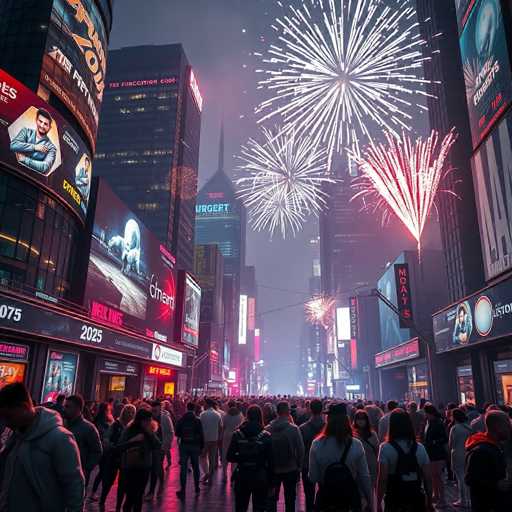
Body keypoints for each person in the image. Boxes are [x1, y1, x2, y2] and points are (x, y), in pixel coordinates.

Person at [0, 382, 84, 512]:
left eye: (8, 416)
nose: (5, 422)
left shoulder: (60, 438)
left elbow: (74, 486)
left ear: (23, 407)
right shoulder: (14, 434)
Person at [309, 402, 372, 512]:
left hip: (326, 500)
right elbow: (364, 476)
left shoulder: (317, 444)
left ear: (328, 420)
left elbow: (313, 477)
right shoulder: (356, 444)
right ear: (346, 421)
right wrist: (369, 500)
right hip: (349, 501)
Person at [376, 408, 433, 512]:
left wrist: (378, 502)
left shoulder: (385, 448)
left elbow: (382, 479)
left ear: (391, 426)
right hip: (416, 498)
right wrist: (429, 501)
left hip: (394, 499)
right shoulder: (420, 448)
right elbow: (428, 478)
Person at [227, 404, 274, 512]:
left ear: (247, 416)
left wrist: (242, 457)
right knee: (259, 507)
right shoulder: (266, 435)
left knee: (240, 507)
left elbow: (229, 456)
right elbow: (271, 461)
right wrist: (272, 482)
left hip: (242, 474)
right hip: (260, 476)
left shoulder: (237, 434)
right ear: (260, 416)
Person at [465, 410, 512, 512]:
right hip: (489, 505)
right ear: (497, 427)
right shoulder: (480, 451)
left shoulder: (496, 445)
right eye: (507, 425)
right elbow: (471, 479)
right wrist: (496, 484)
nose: (509, 428)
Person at [117, 408, 161, 512]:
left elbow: (158, 445)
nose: (149, 422)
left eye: (150, 420)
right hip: (130, 467)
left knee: (139, 495)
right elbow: (120, 446)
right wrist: (133, 441)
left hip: (144, 467)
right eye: (147, 420)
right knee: (131, 495)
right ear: (140, 420)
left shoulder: (150, 431)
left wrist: (149, 433)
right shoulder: (129, 430)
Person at [266, 401, 305, 512]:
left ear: (277, 412)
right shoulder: (294, 429)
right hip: (290, 468)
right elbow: (301, 449)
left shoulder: (268, 429)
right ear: (288, 412)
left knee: (272, 498)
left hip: (273, 469)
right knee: (290, 499)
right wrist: (299, 466)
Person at [100, 404, 136, 512]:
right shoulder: (116, 425)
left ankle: (118, 506)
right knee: (109, 481)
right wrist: (111, 446)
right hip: (114, 456)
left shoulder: (132, 427)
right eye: (128, 411)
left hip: (126, 458)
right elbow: (106, 437)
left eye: (131, 412)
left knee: (123, 484)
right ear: (123, 412)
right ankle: (102, 500)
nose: (129, 414)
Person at [64, 394, 103, 487]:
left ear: (77, 408)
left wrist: (86, 469)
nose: (64, 409)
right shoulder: (62, 424)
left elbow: (97, 451)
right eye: (65, 406)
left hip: (77, 475)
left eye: (68, 407)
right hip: (60, 471)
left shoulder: (88, 428)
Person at [10, 108, 57, 174]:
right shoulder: (26, 131)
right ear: (36, 120)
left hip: (31, 180)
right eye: (40, 121)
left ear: (49, 127)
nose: (42, 125)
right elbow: (13, 145)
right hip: (11, 170)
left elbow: (45, 167)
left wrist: (25, 159)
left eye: (45, 124)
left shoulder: (51, 148)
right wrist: (34, 147)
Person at [300, 399, 326, 512]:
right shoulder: (328, 428)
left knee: (309, 495)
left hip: (307, 464)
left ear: (310, 409)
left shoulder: (302, 428)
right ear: (322, 410)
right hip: (325, 464)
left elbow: (301, 449)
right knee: (324, 493)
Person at [145, 400, 173, 501]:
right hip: (150, 447)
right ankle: (157, 486)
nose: (154, 412)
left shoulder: (165, 418)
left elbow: (170, 432)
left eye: (156, 410)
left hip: (160, 447)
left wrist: (165, 446)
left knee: (155, 467)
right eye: (153, 410)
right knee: (155, 467)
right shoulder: (149, 418)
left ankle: (153, 490)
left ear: (160, 409)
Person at [175, 401, 205, 499]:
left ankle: (183, 489)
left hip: (184, 445)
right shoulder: (197, 420)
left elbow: (177, 433)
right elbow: (201, 434)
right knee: (196, 467)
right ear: (194, 409)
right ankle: (196, 487)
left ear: (187, 408)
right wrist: (202, 447)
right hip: (195, 446)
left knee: (183, 468)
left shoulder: (182, 419)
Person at [423, 404, 448, 508]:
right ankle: (436, 495)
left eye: (425, 413)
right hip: (431, 452)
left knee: (438, 476)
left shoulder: (438, 423)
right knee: (433, 475)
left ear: (430, 413)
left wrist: (433, 442)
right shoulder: (428, 422)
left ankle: (442, 499)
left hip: (437, 453)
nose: (425, 415)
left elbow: (444, 438)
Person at [448, 408, 472, 508]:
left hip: (457, 453)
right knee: (467, 477)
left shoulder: (454, 428)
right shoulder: (469, 427)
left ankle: (463, 500)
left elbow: (450, 444)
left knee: (460, 478)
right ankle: (469, 499)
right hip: (468, 453)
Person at [91, 402, 114, 500]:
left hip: (104, 449)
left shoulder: (100, 419)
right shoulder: (102, 421)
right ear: (105, 410)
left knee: (102, 472)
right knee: (103, 472)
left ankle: (96, 493)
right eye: (108, 409)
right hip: (103, 449)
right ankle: (96, 493)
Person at [353, 409, 380, 488]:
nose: (361, 421)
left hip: (371, 465)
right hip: (357, 466)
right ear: (355, 420)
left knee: (371, 489)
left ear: (366, 420)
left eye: (363, 419)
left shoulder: (372, 434)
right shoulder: (352, 434)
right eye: (358, 419)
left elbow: (377, 450)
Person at [199, 397, 223, 483]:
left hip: (205, 439)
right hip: (214, 439)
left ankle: (206, 473)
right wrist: (219, 437)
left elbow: (200, 427)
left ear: (208, 404)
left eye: (205, 403)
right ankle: (210, 476)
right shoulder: (217, 414)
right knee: (212, 458)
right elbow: (220, 427)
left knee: (202, 456)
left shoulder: (203, 414)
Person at [222, 400, 244, 480]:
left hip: (226, 434)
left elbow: (223, 426)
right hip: (236, 435)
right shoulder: (240, 415)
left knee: (225, 453)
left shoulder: (226, 415)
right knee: (235, 454)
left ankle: (224, 474)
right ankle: (233, 476)